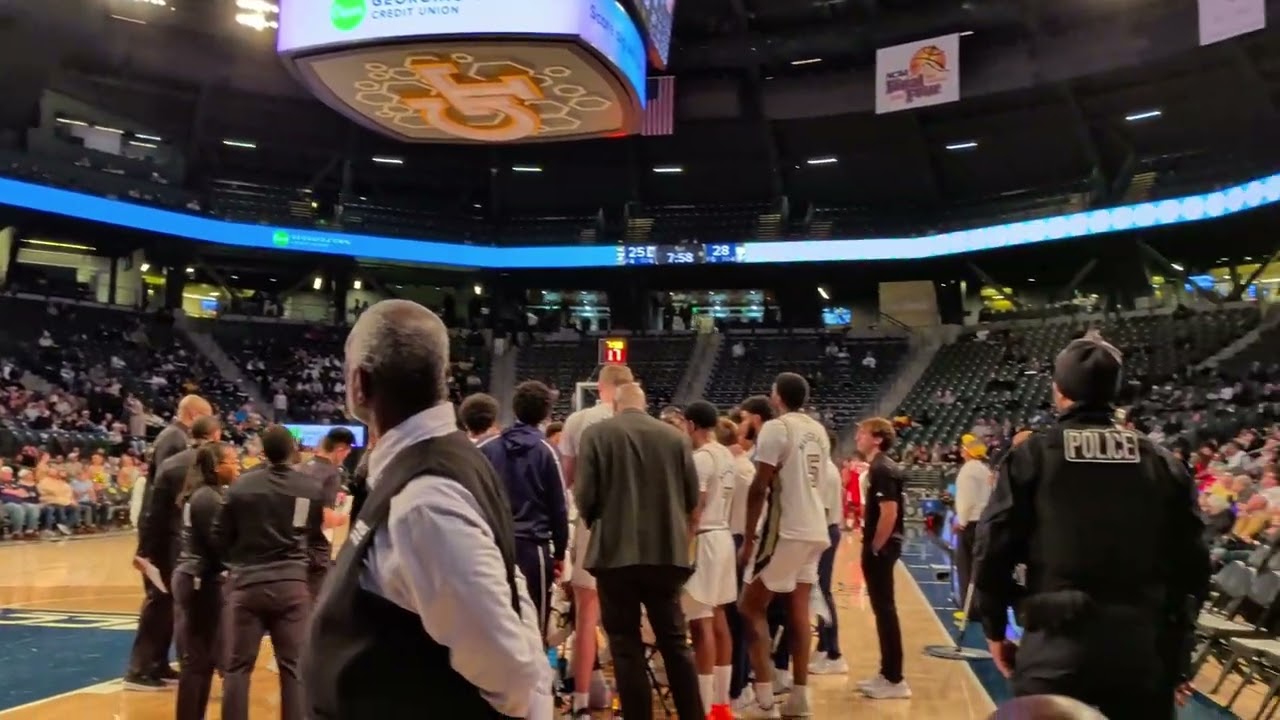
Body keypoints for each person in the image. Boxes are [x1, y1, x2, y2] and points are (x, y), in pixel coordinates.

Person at [301, 299, 550, 719]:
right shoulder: (432, 463)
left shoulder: (425, 501)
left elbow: (513, 674)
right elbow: (508, 587)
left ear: (360, 382)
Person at [974, 333, 1210, 719]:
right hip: (1140, 646)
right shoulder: (1163, 462)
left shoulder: (1032, 455)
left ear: (1058, 390)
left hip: (1055, 642)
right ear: (1115, 392)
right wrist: (1177, 656)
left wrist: (995, 629)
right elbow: (1194, 569)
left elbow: (992, 548)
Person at [574, 382, 703, 720]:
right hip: (667, 552)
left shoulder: (597, 435)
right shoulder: (676, 438)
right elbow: (692, 498)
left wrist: (599, 522)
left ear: (616, 405)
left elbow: (585, 495)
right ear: (644, 405)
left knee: (624, 645)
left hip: (614, 553)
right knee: (675, 643)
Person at [737, 373, 832, 718]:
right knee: (797, 611)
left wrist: (748, 538)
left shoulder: (777, 428)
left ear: (776, 397)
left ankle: (764, 702)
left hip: (787, 528)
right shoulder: (818, 431)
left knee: (749, 607)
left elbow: (760, 486)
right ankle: (799, 696)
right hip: (815, 527)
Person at [214, 425, 324, 720]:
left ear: (262, 450)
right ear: (292, 451)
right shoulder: (309, 489)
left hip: (247, 583)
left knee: (237, 668)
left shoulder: (240, 486)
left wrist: (236, 561)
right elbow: (311, 534)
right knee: (293, 667)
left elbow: (220, 535)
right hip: (291, 584)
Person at [558, 362, 634, 718]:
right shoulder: (642, 423)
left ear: (599, 387)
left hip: (591, 521)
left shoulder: (578, 421)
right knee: (627, 617)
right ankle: (625, 701)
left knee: (587, 616)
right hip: (632, 524)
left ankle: (582, 703)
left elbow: (567, 479)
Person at [126, 397, 215, 692]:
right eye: (206, 417)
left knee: (167, 600)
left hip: (167, 528)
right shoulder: (173, 438)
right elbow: (166, 488)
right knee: (159, 597)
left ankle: (158, 663)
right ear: (193, 415)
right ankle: (139, 669)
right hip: (162, 530)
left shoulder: (175, 437)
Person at [477, 379, 570, 638]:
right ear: (546, 414)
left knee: (493, 623)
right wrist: (561, 551)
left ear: (514, 409)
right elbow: (559, 507)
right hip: (532, 548)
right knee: (534, 627)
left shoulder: (486, 449)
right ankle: (535, 678)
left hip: (492, 547)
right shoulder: (546, 452)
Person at [681, 400, 740, 720]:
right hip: (723, 537)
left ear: (691, 425)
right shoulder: (725, 454)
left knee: (700, 624)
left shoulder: (702, 458)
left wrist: (682, 547)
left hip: (704, 539)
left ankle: (701, 708)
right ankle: (721, 705)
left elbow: (696, 507)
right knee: (719, 620)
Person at [172, 441, 239, 720]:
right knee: (197, 660)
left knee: (203, 658)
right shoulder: (208, 498)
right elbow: (219, 545)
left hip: (197, 576)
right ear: (216, 466)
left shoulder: (204, 494)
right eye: (232, 461)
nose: (237, 466)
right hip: (200, 579)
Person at [854, 417, 910, 699]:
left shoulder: (882, 468)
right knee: (883, 610)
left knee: (885, 610)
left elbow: (889, 513)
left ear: (877, 438)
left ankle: (894, 677)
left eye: (862, 433)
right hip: (883, 546)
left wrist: (875, 547)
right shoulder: (880, 467)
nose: (857, 438)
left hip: (883, 547)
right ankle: (888, 673)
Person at [297, 427, 356, 598]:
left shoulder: (303, 466)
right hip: (316, 550)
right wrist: (342, 517)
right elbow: (327, 518)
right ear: (340, 450)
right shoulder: (331, 474)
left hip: (297, 545)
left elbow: (301, 508)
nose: (345, 457)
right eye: (346, 453)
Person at [810, 430, 846, 676]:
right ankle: (824, 646)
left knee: (822, 592)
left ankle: (833, 653)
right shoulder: (828, 468)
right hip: (827, 530)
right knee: (819, 592)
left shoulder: (826, 471)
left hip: (824, 531)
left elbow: (819, 510)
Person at [953, 433, 993, 615]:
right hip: (984, 522)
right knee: (978, 568)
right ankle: (979, 607)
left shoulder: (968, 470)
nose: (961, 450)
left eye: (964, 447)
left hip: (970, 524)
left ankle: (969, 609)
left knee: (966, 567)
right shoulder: (985, 469)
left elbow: (966, 500)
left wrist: (960, 521)